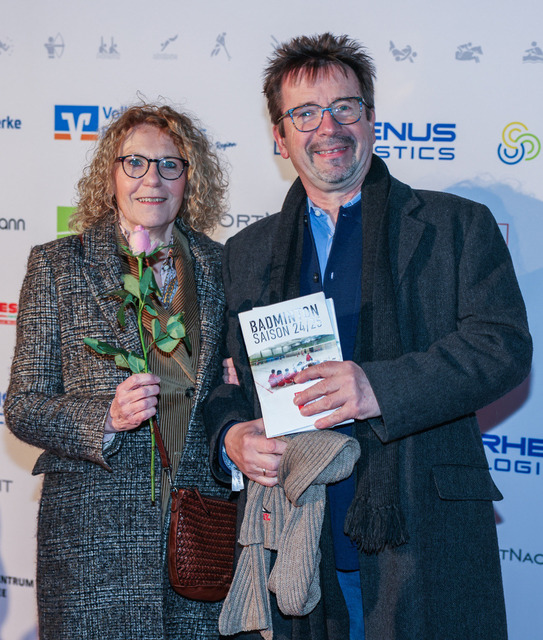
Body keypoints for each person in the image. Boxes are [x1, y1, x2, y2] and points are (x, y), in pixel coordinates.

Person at [205, 33, 532, 640]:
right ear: (280, 136)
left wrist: (377, 387)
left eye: (344, 107)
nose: (328, 127)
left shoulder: (456, 225)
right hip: (298, 538)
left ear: (371, 119)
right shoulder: (246, 253)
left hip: (422, 533)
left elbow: (502, 347)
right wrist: (232, 437)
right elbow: (223, 380)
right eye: (305, 113)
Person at [5, 104, 229, 640]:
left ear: (190, 178)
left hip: (199, 544)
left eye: (170, 164)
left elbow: (228, 398)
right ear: (111, 174)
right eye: (135, 163)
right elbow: (23, 405)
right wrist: (104, 417)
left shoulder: (222, 266)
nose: (152, 179)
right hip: (92, 550)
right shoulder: (58, 265)